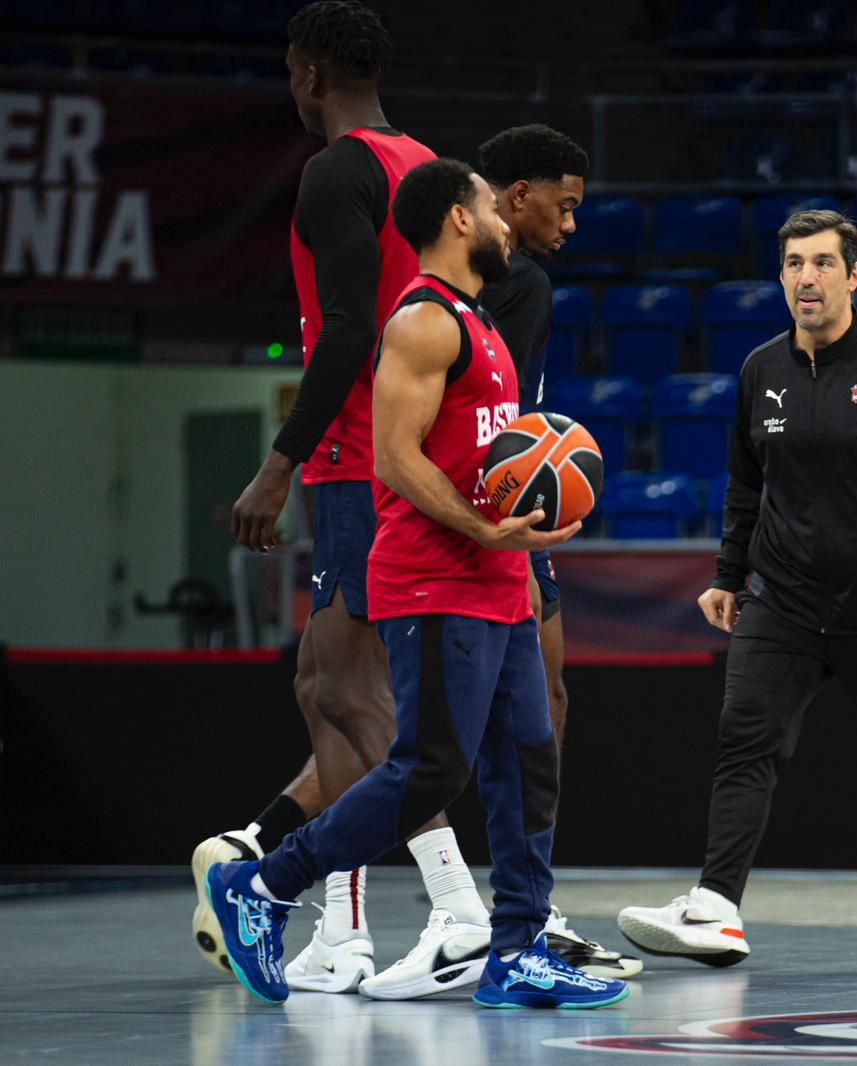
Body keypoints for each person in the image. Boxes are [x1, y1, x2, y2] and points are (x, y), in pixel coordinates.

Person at [205, 157, 628, 1012]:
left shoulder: (483, 325)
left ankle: (516, 949)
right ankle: (264, 886)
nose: (508, 223)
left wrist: (521, 513)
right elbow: (394, 463)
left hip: (497, 575)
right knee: (431, 768)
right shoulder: (423, 323)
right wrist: (481, 527)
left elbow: (487, 460)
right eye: (490, 207)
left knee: (526, 755)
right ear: (460, 220)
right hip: (436, 580)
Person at [192, 1, 496, 1000]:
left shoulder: (336, 170)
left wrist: (278, 460)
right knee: (328, 685)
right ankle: (343, 930)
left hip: (359, 460)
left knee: (346, 692)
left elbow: (351, 329)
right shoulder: (430, 165)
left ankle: (457, 910)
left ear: (305, 71)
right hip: (403, 456)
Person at [616, 210, 857, 968]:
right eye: (792, 264)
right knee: (744, 741)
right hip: (780, 597)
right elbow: (747, 480)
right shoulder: (760, 370)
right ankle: (716, 907)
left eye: (820, 263)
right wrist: (727, 573)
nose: (805, 277)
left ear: (852, 276)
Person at [475, 122, 641, 980]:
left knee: (543, 705)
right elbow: (483, 418)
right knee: (504, 721)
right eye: (564, 206)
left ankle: (520, 909)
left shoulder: (488, 281)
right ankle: (500, 913)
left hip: (506, 522)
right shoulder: (520, 282)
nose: (572, 225)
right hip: (490, 522)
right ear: (516, 198)